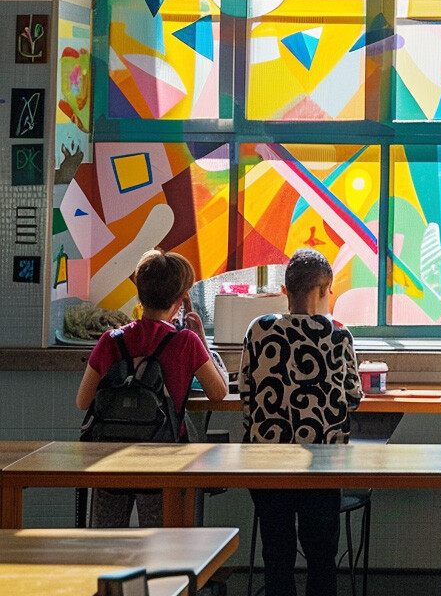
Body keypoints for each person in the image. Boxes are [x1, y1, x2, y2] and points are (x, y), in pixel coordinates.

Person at [241, 248, 362, 596]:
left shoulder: (259, 329)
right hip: (322, 464)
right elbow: (353, 397)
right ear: (324, 290)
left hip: (268, 464)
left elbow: (246, 395)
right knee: (321, 555)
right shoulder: (338, 334)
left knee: (276, 552)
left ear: (285, 290)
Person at [75, 248, 228, 526]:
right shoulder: (186, 342)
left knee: (105, 538)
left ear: (140, 294)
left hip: (111, 457)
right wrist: (200, 338)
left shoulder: (111, 340)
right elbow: (218, 393)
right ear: (181, 300)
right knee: (160, 539)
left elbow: (83, 401)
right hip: (163, 458)